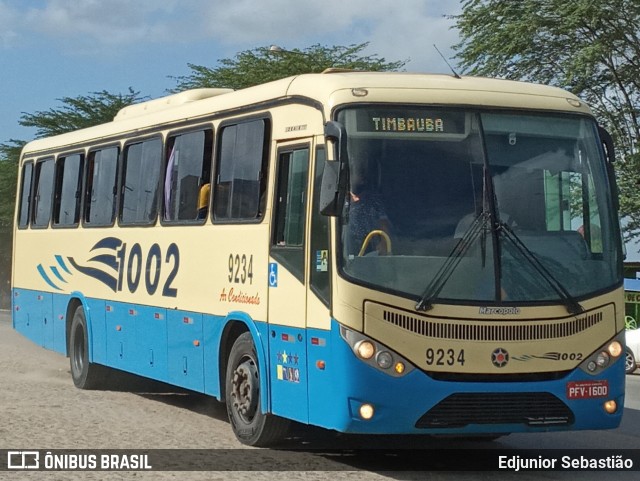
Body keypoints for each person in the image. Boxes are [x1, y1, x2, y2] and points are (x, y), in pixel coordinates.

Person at [345, 167, 390, 256]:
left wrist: (383, 243)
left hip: (370, 247)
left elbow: (383, 221)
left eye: (360, 175)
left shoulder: (372, 200)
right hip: (346, 248)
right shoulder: (339, 199)